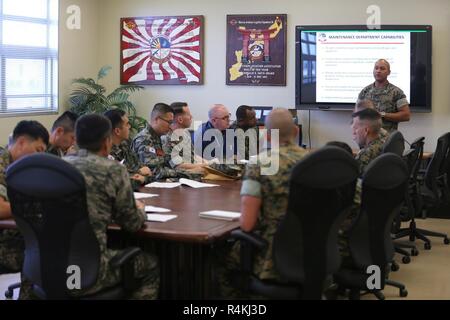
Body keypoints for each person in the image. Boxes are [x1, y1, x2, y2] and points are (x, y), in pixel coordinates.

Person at [64, 114, 159, 299]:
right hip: (92, 269)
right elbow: (132, 224)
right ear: (107, 142)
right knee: (150, 264)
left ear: (76, 140)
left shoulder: (59, 166)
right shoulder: (112, 169)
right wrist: (140, 209)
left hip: (51, 265)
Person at [215, 108, 307, 299]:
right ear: (296, 132)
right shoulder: (314, 160)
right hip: (315, 251)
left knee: (218, 259)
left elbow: (247, 224)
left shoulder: (259, 163)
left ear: (266, 134)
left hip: (272, 256)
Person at [0, 120, 49, 299]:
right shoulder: (2, 165)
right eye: (38, 150)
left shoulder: (20, 169)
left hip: (11, 235)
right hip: (4, 246)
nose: (39, 157)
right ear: (21, 143)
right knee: (45, 252)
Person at [104, 109, 153, 189]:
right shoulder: (106, 151)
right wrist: (139, 173)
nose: (130, 127)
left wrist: (143, 178)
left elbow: (148, 171)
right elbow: (118, 183)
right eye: (127, 124)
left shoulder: (125, 145)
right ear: (117, 131)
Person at [358, 59, 410, 132]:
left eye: (382, 68)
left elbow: (406, 115)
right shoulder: (365, 91)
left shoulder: (397, 92)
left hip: (388, 139)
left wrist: (382, 114)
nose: (378, 71)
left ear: (389, 72)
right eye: (376, 68)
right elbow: (357, 114)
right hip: (368, 138)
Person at [131, 103, 179, 180]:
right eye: (169, 122)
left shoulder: (157, 137)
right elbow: (153, 171)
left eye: (172, 123)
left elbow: (166, 163)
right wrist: (182, 173)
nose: (170, 127)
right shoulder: (144, 139)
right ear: (157, 120)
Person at [161, 102, 208, 174]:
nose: (191, 117)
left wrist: (208, 163)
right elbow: (178, 166)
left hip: (194, 173)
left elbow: (193, 156)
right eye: (188, 114)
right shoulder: (167, 138)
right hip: (178, 177)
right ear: (180, 120)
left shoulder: (185, 133)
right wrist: (206, 165)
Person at [351, 108, 384, 174]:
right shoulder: (384, 141)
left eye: (355, 128)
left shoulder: (364, 155)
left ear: (366, 130)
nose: (353, 132)